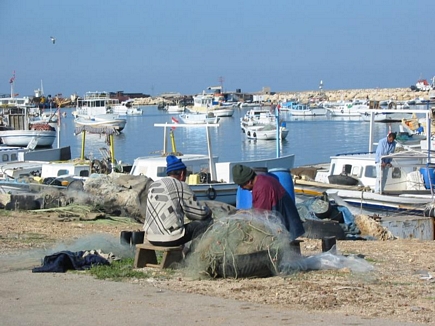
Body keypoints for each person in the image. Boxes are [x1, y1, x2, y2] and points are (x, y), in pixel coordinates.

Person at [143, 155, 212, 247]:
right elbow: (198, 214)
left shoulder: (154, 185)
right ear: (182, 173)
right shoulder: (180, 185)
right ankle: (197, 253)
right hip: (171, 238)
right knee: (207, 223)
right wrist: (208, 211)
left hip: (151, 237)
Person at [232, 164, 305, 241]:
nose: (242, 188)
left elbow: (260, 217)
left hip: (287, 227)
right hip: (286, 221)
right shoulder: (262, 179)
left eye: (241, 185)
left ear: (249, 182)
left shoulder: (262, 188)